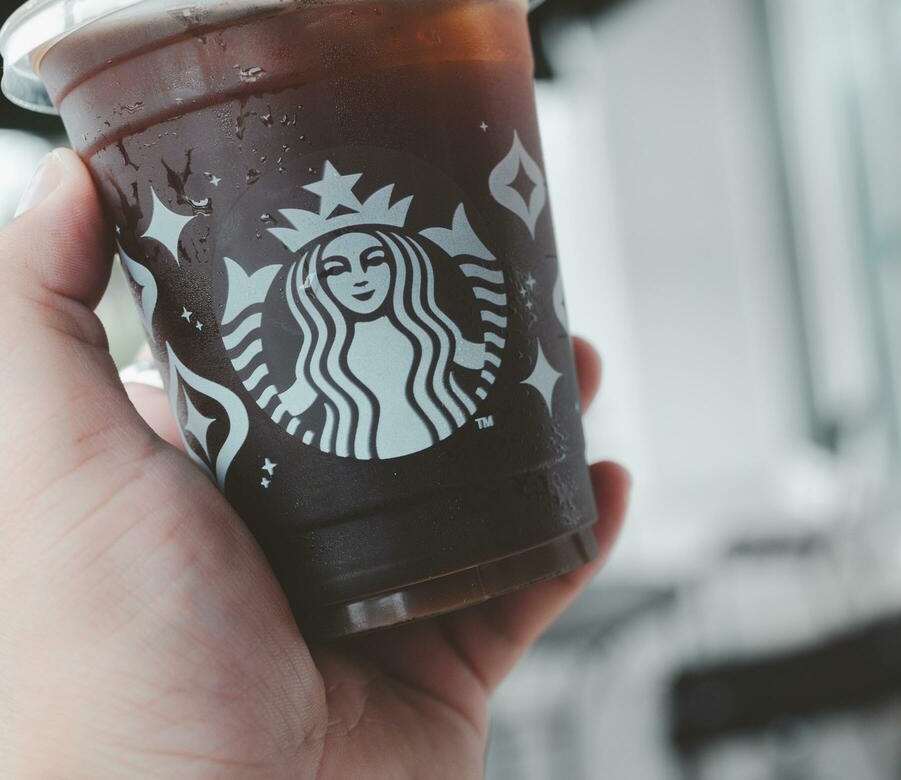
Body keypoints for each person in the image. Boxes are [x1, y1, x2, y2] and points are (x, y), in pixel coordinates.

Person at [0, 149, 632, 777]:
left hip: (463, 597)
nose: (358, 277)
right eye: (336, 266)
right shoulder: (309, 384)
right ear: (312, 284)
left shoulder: (455, 353)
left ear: (404, 261)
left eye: (374, 257)